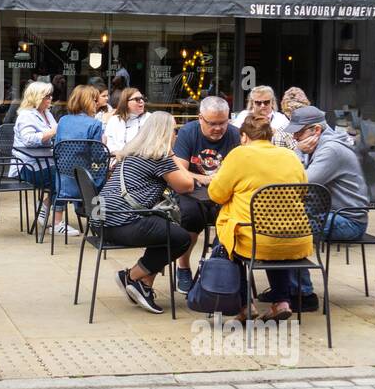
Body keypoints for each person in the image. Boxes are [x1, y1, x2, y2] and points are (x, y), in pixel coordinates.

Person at [208, 117, 311, 321]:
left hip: (255, 240)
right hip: (295, 238)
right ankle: (282, 302)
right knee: (272, 233)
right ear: (269, 136)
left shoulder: (239, 154)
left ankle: (245, 305)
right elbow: (303, 192)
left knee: (226, 241)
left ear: (244, 136)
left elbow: (216, 194)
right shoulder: (290, 156)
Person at [97, 112, 195, 314]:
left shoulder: (133, 152)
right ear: (166, 133)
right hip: (122, 223)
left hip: (102, 220)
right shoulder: (159, 156)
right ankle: (132, 277)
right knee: (181, 238)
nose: (176, 134)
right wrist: (173, 155)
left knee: (165, 229)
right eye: (174, 130)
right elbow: (187, 186)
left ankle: (144, 285)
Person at [280, 105, 371, 307]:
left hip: (348, 220)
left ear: (316, 130)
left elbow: (301, 184)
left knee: (291, 228)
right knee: (278, 222)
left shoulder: (331, 150)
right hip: (327, 212)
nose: (294, 137)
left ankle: (303, 295)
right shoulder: (317, 146)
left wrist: (296, 151)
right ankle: (283, 290)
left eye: (298, 132)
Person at [171, 96, 241, 292]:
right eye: (212, 123)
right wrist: (202, 178)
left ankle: (217, 269)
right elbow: (180, 169)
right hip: (192, 191)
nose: (218, 128)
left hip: (225, 193)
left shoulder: (235, 135)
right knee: (190, 217)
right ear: (201, 118)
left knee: (233, 220)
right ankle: (183, 268)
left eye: (222, 123)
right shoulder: (188, 132)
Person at [10, 81, 72, 235]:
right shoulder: (26, 115)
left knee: (70, 175)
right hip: (29, 166)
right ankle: (56, 223)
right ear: (36, 97)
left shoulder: (47, 114)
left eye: (51, 95)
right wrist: (54, 131)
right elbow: (28, 139)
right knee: (65, 179)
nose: (50, 99)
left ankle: (45, 206)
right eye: (47, 96)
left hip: (47, 162)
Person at [54, 84, 105, 206]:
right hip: (85, 184)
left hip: (62, 182)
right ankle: (96, 219)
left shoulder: (63, 120)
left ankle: (57, 221)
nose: (97, 103)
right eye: (95, 100)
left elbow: (57, 150)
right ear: (88, 101)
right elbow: (97, 157)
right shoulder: (95, 124)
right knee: (105, 173)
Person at [103, 85, 146, 154]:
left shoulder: (149, 118)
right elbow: (108, 144)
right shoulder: (114, 120)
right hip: (117, 160)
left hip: (141, 161)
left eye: (142, 98)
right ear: (125, 102)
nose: (141, 101)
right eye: (137, 99)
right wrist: (118, 154)